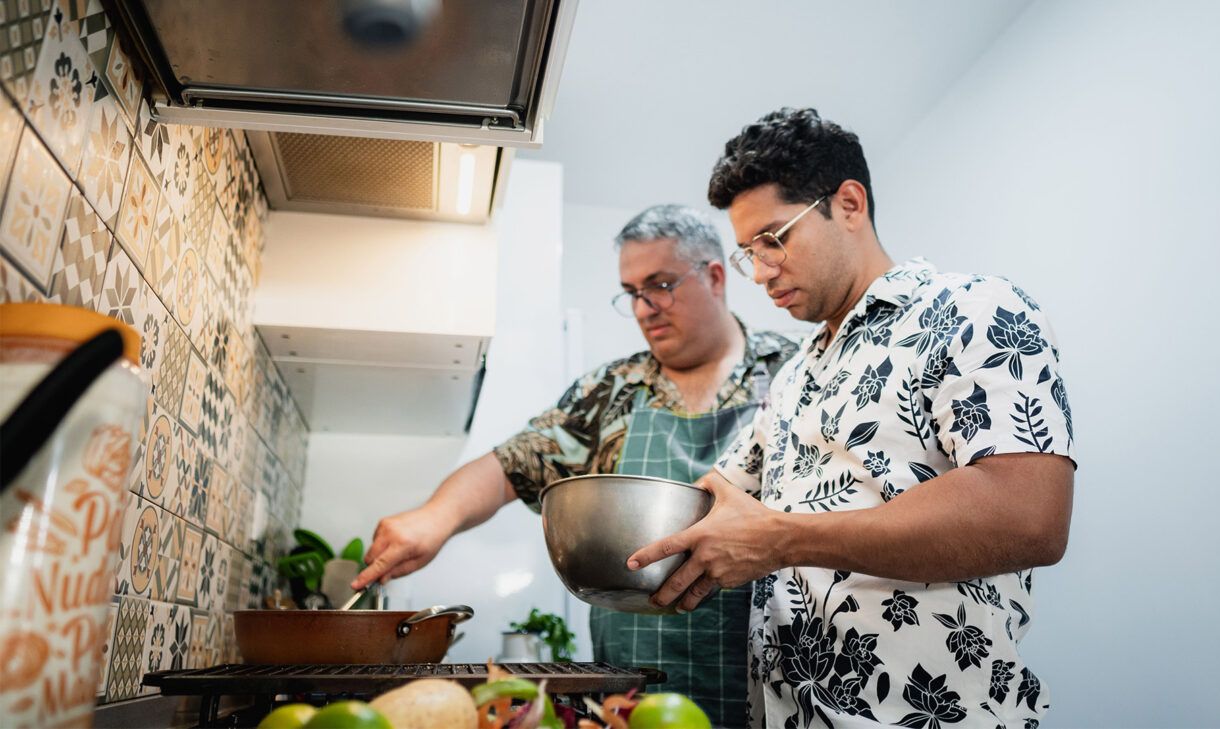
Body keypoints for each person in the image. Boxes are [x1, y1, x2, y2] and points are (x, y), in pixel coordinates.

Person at [627, 108, 1076, 728]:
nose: (759, 273)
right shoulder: (794, 378)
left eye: (775, 239)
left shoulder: (974, 311)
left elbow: (1030, 518)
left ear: (849, 203)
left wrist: (783, 539)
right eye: (746, 253)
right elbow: (719, 502)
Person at [353, 204, 798, 727]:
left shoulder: (790, 374)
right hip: (628, 694)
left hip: (769, 683)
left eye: (659, 285)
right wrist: (435, 517)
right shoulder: (610, 390)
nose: (643, 308)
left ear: (716, 276)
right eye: (631, 293)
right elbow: (511, 463)